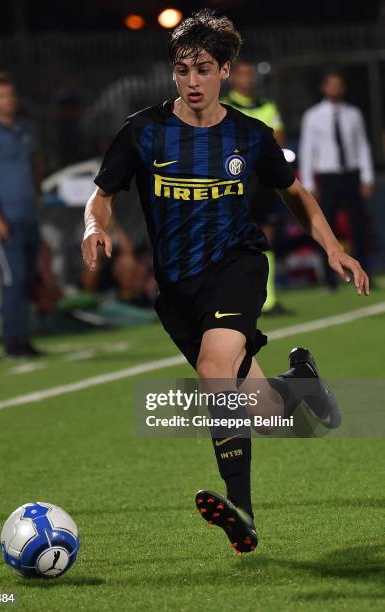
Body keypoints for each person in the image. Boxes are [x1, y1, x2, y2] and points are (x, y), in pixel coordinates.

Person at [81, 11, 368, 555]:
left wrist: (334, 248)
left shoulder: (248, 135)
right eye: (183, 69)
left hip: (236, 266)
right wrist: (96, 226)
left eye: (204, 69)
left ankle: (243, 511)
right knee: (261, 409)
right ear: (173, 72)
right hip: (176, 291)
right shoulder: (143, 132)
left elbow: (295, 194)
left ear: (226, 70)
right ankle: (301, 383)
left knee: (216, 370)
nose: (192, 81)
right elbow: (102, 195)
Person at [0, 72, 44, 358]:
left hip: (28, 216)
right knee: (13, 278)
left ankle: (23, 337)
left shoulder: (24, 129)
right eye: (1, 96)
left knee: (27, 278)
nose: (8, 100)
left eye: (10, 94)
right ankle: (12, 340)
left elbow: (35, 163)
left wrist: (36, 195)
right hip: (7, 219)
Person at [222, 59, 290, 315]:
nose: (247, 79)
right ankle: (232, 297)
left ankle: (269, 300)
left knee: (266, 237)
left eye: (250, 75)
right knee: (232, 239)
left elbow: (279, 140)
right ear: (232, 78)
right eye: (243, 75)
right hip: (234, 180)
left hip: (262, 179)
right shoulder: (224, 107)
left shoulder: (268, 106)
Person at [299, 70, 374, 290]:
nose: (334, 89)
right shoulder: (312, 116)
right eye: (330, 84)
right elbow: (307, 150)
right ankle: (330, 279)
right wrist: (309, 185)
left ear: (343, 88)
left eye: (338, 85)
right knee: (326, 226)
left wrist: (367, 177)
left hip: (351, 175)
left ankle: (364, 273)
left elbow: (362, 147)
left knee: (358, 226)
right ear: (324, 88)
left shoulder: (354, 114)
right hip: (328, 177)